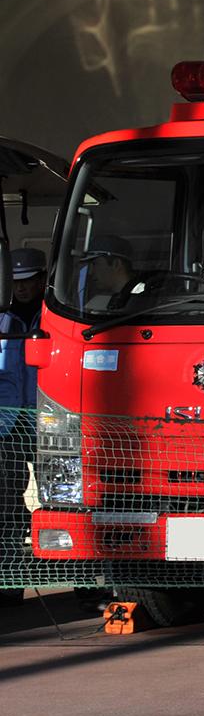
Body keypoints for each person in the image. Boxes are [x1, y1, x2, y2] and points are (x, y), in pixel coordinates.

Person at [0, 248, 44, 605]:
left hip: (49, 418)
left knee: (64, 499)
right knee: (8, 504)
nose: (22, 287)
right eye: (16, 281)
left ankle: (85, 585)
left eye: (28, 279)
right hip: (8, 424)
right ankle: (10, 581)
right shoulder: (3, 317)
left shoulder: (54, 316)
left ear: (43, 278)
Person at [79, 235, 135, 309]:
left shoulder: (140, 302)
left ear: (116, 264)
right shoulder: (99, 302)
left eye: (95, 264)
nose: (90, 272)